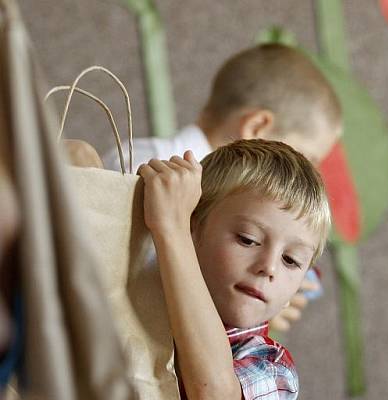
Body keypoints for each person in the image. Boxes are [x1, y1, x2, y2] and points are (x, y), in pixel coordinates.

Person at [103, 43, 342, 332]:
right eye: (306, 159)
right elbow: (136, 284)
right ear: (257, 128)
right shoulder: (145, 167)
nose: (306, 177)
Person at [137, 139, 330, 400]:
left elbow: (213, 397)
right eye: (247, 239)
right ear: (195, 227)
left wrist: (171, 228)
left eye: (291, 260)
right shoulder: (140, 304)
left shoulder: (274, 367)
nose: (268, 267)